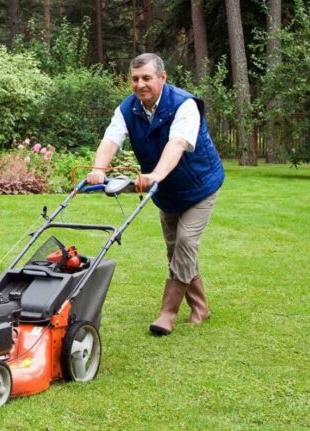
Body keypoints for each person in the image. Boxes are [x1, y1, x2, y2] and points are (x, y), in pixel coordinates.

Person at [86, 53, 225, 336]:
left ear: (162, 77)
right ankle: (201, 308)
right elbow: (111, 139)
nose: (140, 84)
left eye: (147, 78)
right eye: (135, 79)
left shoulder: (184, 105)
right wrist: (99, 168)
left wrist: (155, 175)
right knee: (175, 250)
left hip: (200, 185)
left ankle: (167, 313)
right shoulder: (128, 109)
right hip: (166, 191)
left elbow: (176, 143)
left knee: (186, 242)